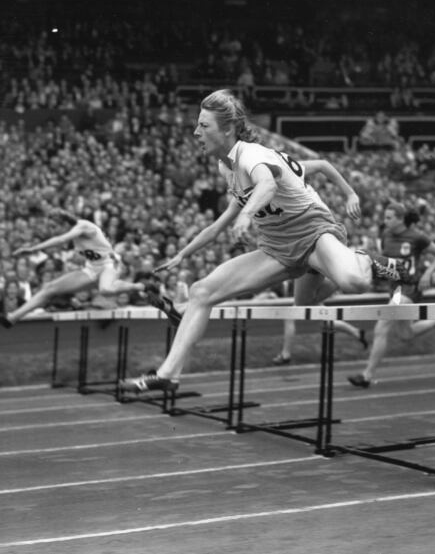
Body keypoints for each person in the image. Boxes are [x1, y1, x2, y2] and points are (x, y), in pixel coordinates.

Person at [120, 89, 411, 393]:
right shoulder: (227, 167)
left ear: (228, 129)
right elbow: (219, 225)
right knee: (203, 291)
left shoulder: (252, 155)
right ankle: (168, 375)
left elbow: (267, 185)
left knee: (355, 282)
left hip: (311, 231)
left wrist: (248, 215)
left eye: (204, 126)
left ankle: (368, 260)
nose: (196, 132)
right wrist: (183, 254)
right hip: (277, 246)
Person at [273, 158, 369, 365]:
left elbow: (324, 165)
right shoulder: (263, 182)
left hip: (314, 241)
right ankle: (354, 328)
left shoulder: (281, 172)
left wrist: (351, 193)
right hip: (309, 242)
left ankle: (286, 354)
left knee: (298, 308)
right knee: (310, 305)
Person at [347, 202, 435, 388]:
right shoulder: (386, 235)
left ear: (400, 219)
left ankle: (367, 375)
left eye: (389, 218)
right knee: (406, 334)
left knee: (382, 325)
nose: (384, 221)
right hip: (395, 289)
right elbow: (386, 261)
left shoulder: (417, 236)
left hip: (411, 287)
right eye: (385, 217)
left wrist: (428, 274)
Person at [0, 208, 154, 328]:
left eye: (55, 226)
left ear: (64, 223)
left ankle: (140, 286)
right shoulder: (74, 232)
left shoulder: (83, 227)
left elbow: (61, 239)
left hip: (111, 265)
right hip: (91, 269)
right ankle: (12, 318)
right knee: (50, 288)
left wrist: (33, 249)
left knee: (105, 289)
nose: (52, 230)